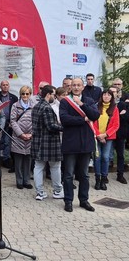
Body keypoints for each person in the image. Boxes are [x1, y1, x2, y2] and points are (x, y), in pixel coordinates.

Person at [59, 78, 100, 212]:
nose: (76, 87)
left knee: (84, 175)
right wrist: (83, 119)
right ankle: (68, 201)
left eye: (78, 85)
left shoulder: (88, 101)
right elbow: (64, 119)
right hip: (71, 143)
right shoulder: (65, 101)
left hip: (85, 143)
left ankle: (84, 200)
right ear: (70, 87)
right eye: (74, 85)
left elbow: (95, 115)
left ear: (83, 87)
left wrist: (82, 104)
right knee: (69, 174)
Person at [31, 85, 64, 201]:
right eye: (54, 95)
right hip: (49, 142)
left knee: (38, 166)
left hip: (37, 140)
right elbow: (51, 126)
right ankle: (58, 191)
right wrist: (64, 127)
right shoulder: (47, 108)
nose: (54, 97)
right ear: (48, 94)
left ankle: (40, 192)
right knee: (55, 166)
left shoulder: (36, 106)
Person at [93, 89, 119, 190]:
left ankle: (104, 179)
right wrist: (99, 135)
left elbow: (116, 125)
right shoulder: (96, 107)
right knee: (97, 158)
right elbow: (92, 122)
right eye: (104, 95)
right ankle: (97, 179)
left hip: (109, 137)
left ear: (112, 97)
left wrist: (105, 135)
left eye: (109, 95)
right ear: (101, 96)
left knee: (105, 157)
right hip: (97, 136)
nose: (106, 96)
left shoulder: (115, 108)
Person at [10, 85, 33, 189]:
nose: (25, 95)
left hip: (30, 138)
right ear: (20, 94)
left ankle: (27, 181)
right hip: (18, 137)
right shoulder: (15, 105)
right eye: (23, 93)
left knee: (28, 161)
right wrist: (21, 134)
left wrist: (31, 134)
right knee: (18, 162)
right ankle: (19, 181)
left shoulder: (34, 106)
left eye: (27, 93)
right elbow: (13, 121)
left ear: (30, 94)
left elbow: (36, 121)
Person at [109, 85, 129, 184]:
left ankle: (120, 175)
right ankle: (103, 176)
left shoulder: (122, 104)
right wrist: (119, 115)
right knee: (106, 156)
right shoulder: (105, 104)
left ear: (117, 94)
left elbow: (126, 118)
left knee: (120, 155)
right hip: (108, 134)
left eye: (114, 92)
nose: (112, 94)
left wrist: (117, 117)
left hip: (120, 134)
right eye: (110, 91)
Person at [0, 80, 18, 170]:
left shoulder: (13, 97)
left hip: (9, 123)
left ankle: (6, 159)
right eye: (3, 85)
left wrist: (13, 121)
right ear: (0, 86)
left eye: (7, 85)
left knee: (7, 142)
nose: (5, 86)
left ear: (9, 86)